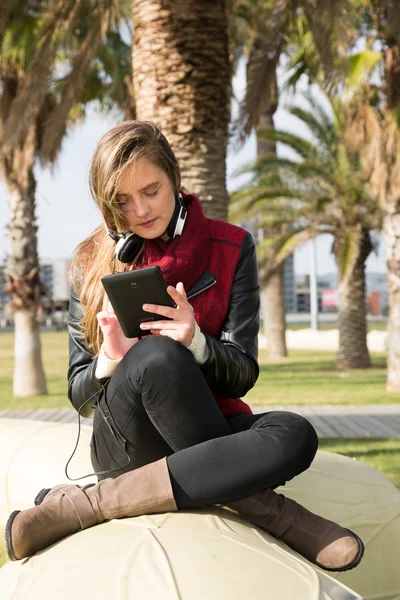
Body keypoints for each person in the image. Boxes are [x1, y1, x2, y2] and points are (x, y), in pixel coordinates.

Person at [5, 121, 364, 572]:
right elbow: (79, 395)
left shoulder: (233, 248)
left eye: (151, 190)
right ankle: (272, 512)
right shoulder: (86, 262)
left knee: (295, 434)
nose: (140, 209)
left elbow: (244, 374)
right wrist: (110, 360)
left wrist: (196, 341)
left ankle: (86, 505)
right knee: (156, 356)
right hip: (129, 447)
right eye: (122, 200)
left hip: (210, 432)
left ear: (174, 177)